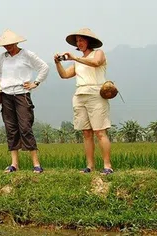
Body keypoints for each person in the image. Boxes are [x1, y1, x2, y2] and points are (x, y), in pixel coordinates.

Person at [54, 28, 113, 175]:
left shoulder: (98, 53)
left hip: (96, 93)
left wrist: (75, 58)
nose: (79, 43)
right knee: (86, 132)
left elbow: (96, 62)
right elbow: (64, 75)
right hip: (80, 94)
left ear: (89, 41)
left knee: (100, 131)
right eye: (77, 41)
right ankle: (90, 165)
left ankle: (107, 165)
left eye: (82, 40)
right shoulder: (77, 62)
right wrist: (57, 63)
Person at [0, 29, 49, 173]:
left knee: (25, 127)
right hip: (6, 94)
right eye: (5, 45)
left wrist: (35, 82)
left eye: (10, 44)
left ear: (16, 42)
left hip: (22, 93)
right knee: (11, 128)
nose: (8, 46)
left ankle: (36, 164)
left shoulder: (27, 55)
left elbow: (44, 67)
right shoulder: (2, 57)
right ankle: (14, 164)